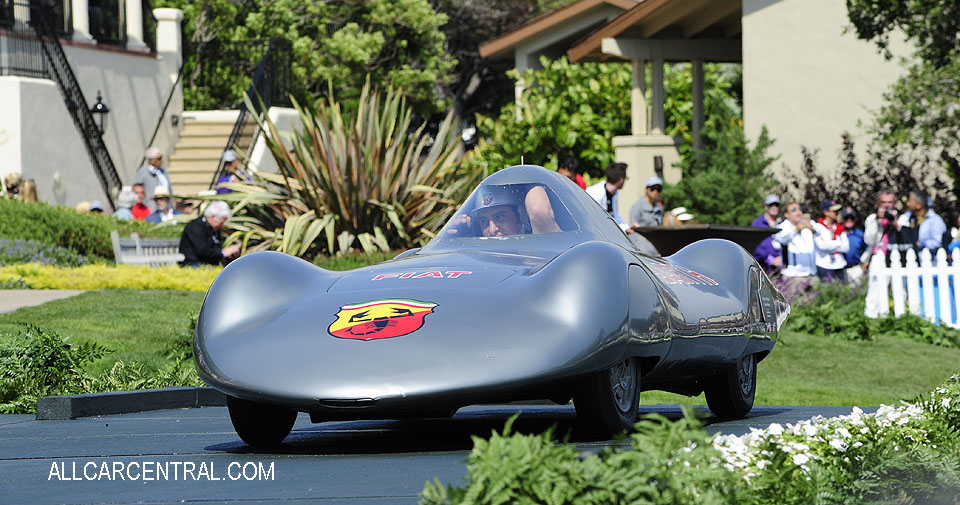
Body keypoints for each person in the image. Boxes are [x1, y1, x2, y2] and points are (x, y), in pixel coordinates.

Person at [771, 202, 818, 301]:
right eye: (793, 210)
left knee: (815, 307)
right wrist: (796, 229)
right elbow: (781, 239)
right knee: (796, 307)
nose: (798, 212)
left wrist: (814, 230)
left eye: (799, 209)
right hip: (793, 277)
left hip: (811, 274)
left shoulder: (808, 224)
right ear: (787, 215)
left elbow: (821, 235)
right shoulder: (782, 227)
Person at [179, 201, 241, 266]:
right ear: (212, 216)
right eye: (221, 222)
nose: (222, 225)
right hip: (194, 263)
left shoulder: (214, 228)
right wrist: (223, 252)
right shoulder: (195, 226)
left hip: (210, 264)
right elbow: (202, 250)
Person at [812, 200, 849, 282]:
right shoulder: (818, 227)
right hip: (824, 265)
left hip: (839, 264)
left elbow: (846, 247)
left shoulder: (839, 227)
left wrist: (830, 245)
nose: (836, 213)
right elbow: (822, 246)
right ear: (826, 212)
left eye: (837, 211)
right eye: (834, 211)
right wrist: (838, 244)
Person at [902, 189, 946, 255]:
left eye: (910, 201)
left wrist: (921, 244)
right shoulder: (907, 217)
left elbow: (937, 242)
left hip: (929, 261)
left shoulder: (934, 220)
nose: (908, 204)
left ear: (918, 205)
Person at [586, 162, 627, 227]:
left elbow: (614, 215)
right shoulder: (594, 193)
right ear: (621, 180)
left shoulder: (614, 193)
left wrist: (626, 227)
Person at [134, 147, 172, 212]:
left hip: (166, 207)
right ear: (151, 160)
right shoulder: (143, 172)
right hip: (152, 208)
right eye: (159, 158)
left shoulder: (163, 171)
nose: (161, 161)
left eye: (161, 158)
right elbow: (136, 189)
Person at [751, 194, 782, 273]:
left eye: (776, 205)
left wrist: (781, 258)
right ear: (765, 207)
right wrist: (770, 259)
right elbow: (754, 245)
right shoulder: (758, 223)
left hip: (780, 268)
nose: (774, 207)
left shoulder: (783, 223)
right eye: (771, 205)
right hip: (763, 267)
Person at [840, 206, 866, 280]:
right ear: (842, 219)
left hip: (856, 268)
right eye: (846, 218)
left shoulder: (860, 234)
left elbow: (868, 249)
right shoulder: (837, 232)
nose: (849, 220)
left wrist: (865, 263)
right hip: (840, 268)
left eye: (852, 218)